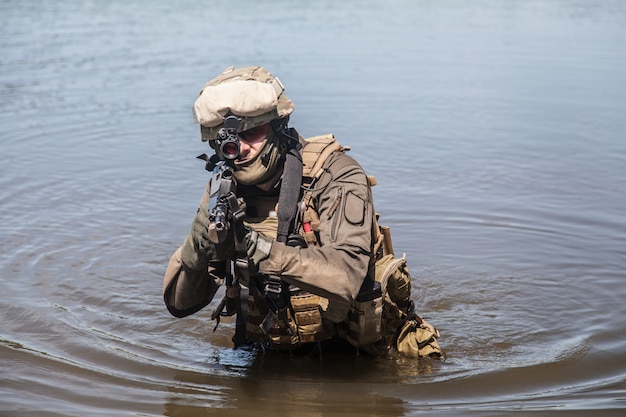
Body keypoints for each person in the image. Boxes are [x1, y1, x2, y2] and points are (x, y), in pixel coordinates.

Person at [163, 65, 444, 359]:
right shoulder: (224, 188)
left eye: (252, 132)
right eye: (227, 139)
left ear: (277, 126)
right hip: (275, 352)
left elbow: (346, 276)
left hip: (366, 355)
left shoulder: (335, 176)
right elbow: (179, 306)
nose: (240, 148)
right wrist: (195, 252)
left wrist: (259, 249)